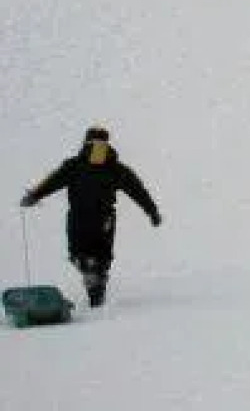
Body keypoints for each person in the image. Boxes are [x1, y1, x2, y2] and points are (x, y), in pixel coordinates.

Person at [19, 126, 161, 307]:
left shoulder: (73, 166)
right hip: (105, 220)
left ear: (86, 142)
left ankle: (92, 278)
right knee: (101, 258)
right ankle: (97, 288)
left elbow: (52, 181)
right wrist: (152, 211)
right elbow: (138, 190)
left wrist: (33, 195)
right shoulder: (116, 168)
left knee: (78, 255)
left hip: (79, 218)